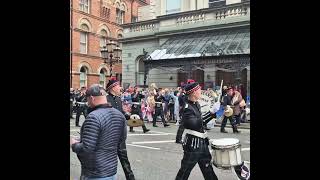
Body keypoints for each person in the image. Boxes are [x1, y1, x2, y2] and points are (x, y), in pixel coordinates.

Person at [70, 84, 126, 180]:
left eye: (87, 99)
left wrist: (74, 144)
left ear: (91, 98)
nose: (87, 102)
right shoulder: (120, 115)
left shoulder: (93, 117)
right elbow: (120, 141)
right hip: (111, 171)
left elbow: (86, 149)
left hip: (94, 172)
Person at [175, 82, 218, 180]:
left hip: (202, 143)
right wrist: (211, 113)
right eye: (199, 90)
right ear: (194, 92)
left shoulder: (196, 104)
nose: (201, 92)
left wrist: (213, 113)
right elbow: (195, 124)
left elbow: (201, 123)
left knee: (208, 170)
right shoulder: (187, 108)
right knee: (184, 171)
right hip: (193, 145)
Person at [105, 78, 136, 180]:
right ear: (113, 88)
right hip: (109, 137)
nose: (120, 88)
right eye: (118, 86)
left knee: (124, 159)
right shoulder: (105, 100)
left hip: (120, 136)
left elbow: (121, 114)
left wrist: (128, 116)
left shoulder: (118, 99)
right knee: (108, 160)